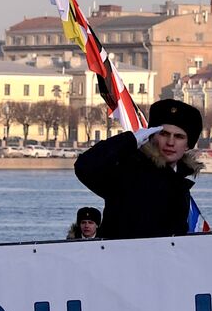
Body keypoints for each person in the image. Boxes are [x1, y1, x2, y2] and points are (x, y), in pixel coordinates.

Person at [73, 98, 204, 239]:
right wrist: (130, 140)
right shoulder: (127, 170)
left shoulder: (179, 183)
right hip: (119, 252)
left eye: (179, 137)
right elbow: (84, 166)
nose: (170, 142)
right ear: (152, 136)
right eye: (164, 134)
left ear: (188, 145)